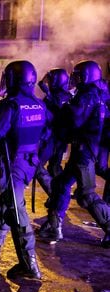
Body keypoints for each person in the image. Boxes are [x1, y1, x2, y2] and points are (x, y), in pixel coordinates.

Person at [0, 60, 46, 280]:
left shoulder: (11, 105)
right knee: (8, 206)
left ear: (14, 79)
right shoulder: (39, 104)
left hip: (11, 165)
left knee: (17, 213)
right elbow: (46, 134)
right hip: (28, 164)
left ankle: (30, 265)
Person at [38, 60, 110, 248]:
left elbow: (73, 119)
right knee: (61, 184)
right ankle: (53, 226)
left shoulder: (88, 96)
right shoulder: (95, 94)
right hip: (83, 148)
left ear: (87, 76)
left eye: (78, 76)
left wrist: (60, 109)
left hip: (84, 150)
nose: (75, 79)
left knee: (86, 194)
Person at [35, 69, 72, 196]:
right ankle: (58, 195)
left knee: (40, 166)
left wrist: (44, 86)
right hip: (53, 137)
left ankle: (58, 195)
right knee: (53, 167)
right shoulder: (57, 95)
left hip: (55, 138)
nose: (49, 82)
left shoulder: (63, 96)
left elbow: (56, 109)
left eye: (51, 80)